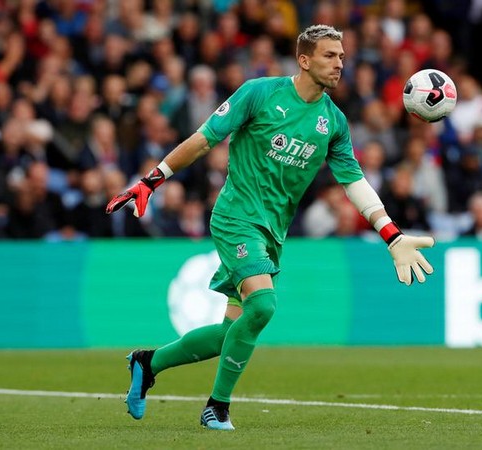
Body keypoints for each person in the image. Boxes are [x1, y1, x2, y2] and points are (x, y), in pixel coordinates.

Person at [105, 24, 435, 431]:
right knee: (263, 306)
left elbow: (353, 182)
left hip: (272, 232)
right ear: (304, 60)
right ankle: (217, 407)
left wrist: (392, 234)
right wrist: (151, 181)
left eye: (343, 56)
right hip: (235, 217)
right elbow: (204, 138)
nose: (340, 64)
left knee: (231, 329)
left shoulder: (333, 121)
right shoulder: (260, 93)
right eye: (330, 55)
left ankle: (147, 362)